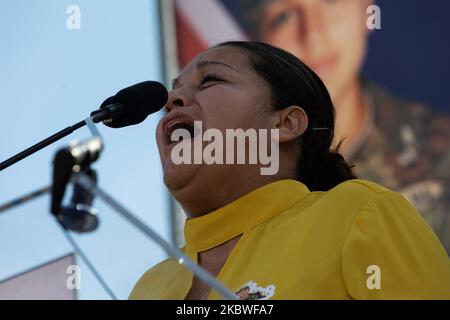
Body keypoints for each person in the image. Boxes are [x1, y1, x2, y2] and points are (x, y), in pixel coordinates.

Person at [129, 41, 450, 300]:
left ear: (285, 123)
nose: (171, 100)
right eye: (173, 91)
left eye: (210, 80)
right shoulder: (149, 286)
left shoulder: (358, 214)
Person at [236, 0, 450, 253]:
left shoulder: (441, 148)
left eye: (330, 1)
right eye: (283, 16)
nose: (314, 34)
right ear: (256, 48)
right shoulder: (231, 178)